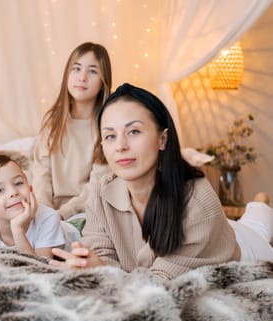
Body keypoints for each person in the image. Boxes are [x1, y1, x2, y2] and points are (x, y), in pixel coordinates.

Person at [50, 83, 273, 281]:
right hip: (213, 232)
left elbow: (161, 283)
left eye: (134, 131)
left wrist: (104, 273)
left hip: (244, 247)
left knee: (257, 227)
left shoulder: (198, 201)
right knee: (247, 222)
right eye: (110, 136)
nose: (120, 146)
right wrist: (94, 267)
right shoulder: (101, 191)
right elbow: (100, 257)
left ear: (162, 139)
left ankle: (261, 206)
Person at [32, 42, 112, 222]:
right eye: (76, 69)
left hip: (86, 211)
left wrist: (64, 213)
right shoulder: (52, 122)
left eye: (92, 71)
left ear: (103, 82)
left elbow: (97, 185)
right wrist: (45, 212)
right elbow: (41, 173)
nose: (82, 77)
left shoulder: (107, 127)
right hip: (49, 210)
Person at [0, 153, 66, 259]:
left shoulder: (48, 217)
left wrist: (17, 229)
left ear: (30, 190)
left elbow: (41, 267)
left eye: (18, 183)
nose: (13, 192)